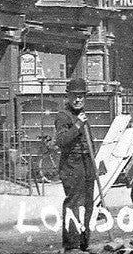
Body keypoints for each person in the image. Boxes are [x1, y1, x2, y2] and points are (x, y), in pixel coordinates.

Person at [54, 77, 96, 253]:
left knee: (88, 204)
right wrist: (78, 124)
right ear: (68, 97)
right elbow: (61, 141)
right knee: (73, 203)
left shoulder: (83, 115)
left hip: (87, 163)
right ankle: (72, 245)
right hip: (72, 165)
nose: (78, 99)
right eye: (74, 96)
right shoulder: (63, 116)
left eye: (81, 96)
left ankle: (84, 243)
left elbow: (90, 142)